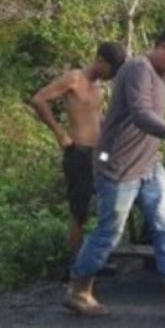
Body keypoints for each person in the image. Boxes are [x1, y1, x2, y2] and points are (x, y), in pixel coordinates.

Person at [63, 23, 165, 322]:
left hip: (149, 165)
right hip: (118, 165)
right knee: (109, 231)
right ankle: (78, 290)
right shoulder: (137, 69)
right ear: (161, 47)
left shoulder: (159, 76)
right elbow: (142, 116)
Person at [30, 42, 127, 253]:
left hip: (99, 153)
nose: (112, 75)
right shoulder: (74, 78)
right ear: (101, 60)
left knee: (107, 198)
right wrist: (60, 133)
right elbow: (39, 100)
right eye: (112, 69)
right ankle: (77, 265)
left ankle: (97, 256)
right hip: (79, 152)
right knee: (79, 210)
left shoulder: (98, 86)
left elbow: (95, 116)